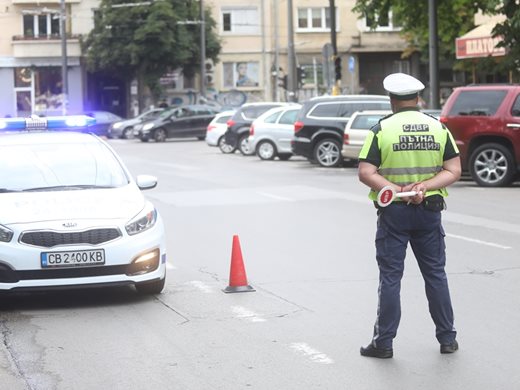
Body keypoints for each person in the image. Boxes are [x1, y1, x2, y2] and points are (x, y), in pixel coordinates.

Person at [357, 73, 461, 359]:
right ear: (418, 99)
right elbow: (453, 170)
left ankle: (384, 343)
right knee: (436, 275)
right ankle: (448, 339)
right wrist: (424, 187)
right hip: (429, 212)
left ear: (391, 100)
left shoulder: (382, 130)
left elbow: (366, 172)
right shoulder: (438, 127)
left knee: (391, 278)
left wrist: (393, 188)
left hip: (394, 214)